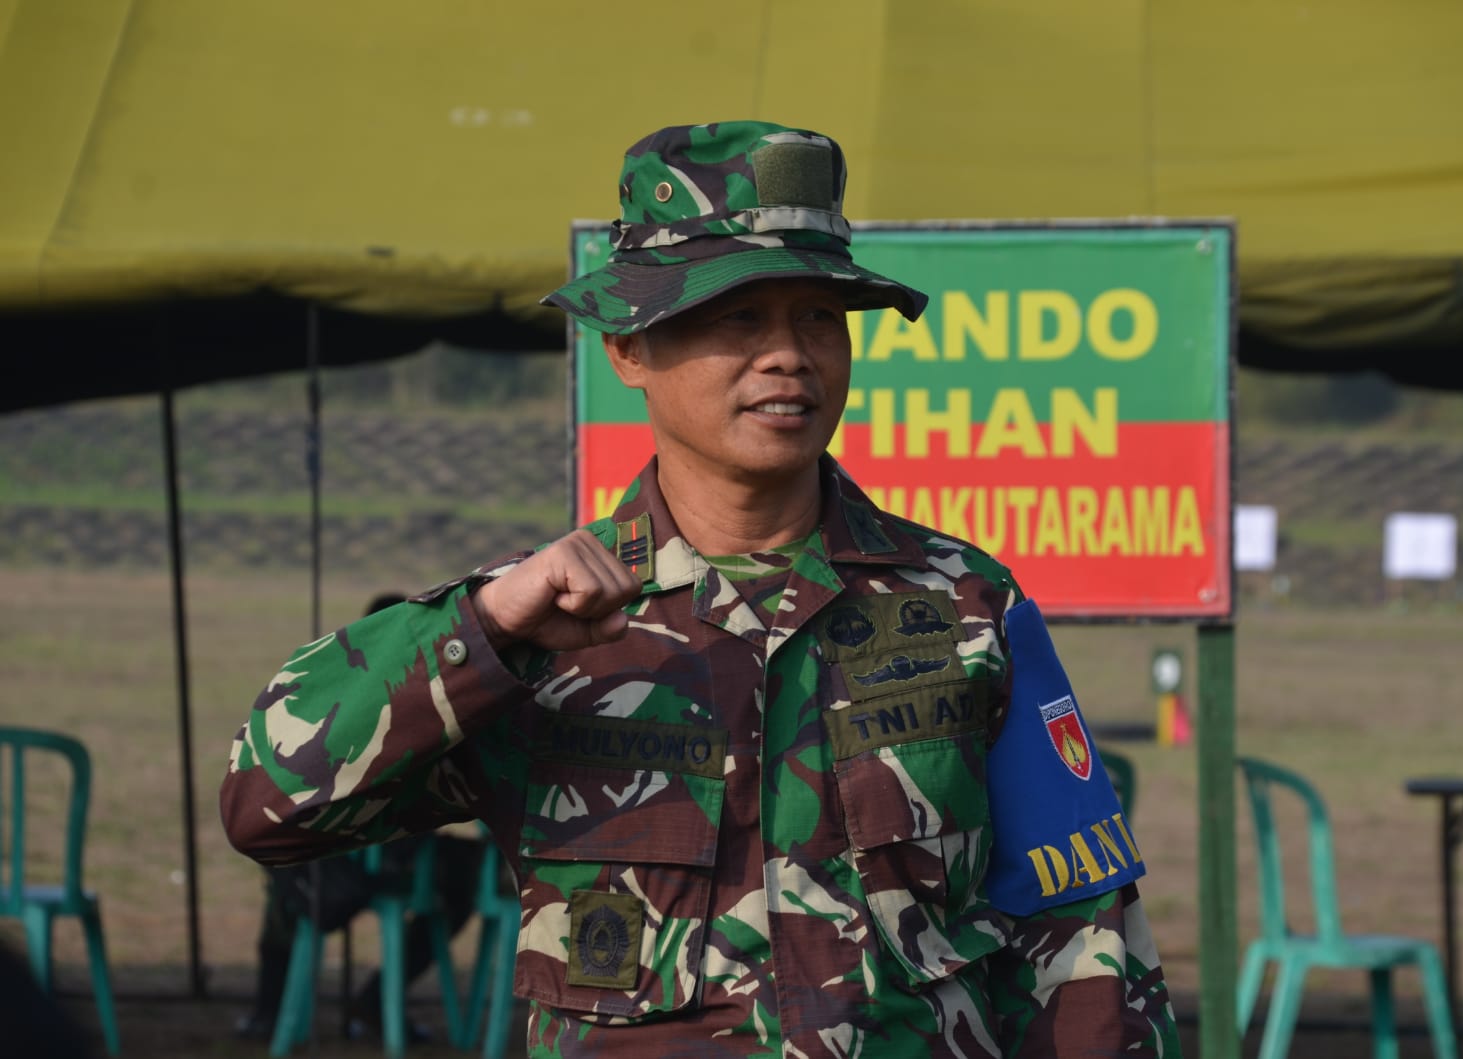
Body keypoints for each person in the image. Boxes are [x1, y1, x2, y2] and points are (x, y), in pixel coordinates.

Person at [221, 120, 1180, 1057]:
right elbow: (268, 806)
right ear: (629, 348)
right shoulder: (541, 628)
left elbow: (1080, 937)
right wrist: (482, 631)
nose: (788, 354)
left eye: (818, 316)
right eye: (737, 316)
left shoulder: (965, 605)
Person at [232, 595, 481, 1045]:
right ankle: (364, 1003)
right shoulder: (435, 696)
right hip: (379, 857)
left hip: (353, 851)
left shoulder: (348, 692)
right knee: (459, 878)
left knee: (286, 872)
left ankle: (276, 1011)